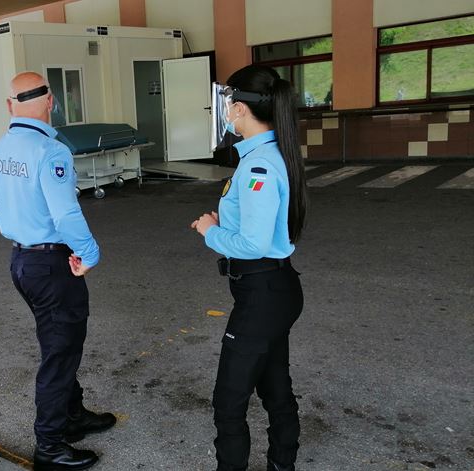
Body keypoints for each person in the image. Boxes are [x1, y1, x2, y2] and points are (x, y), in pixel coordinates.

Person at [0, 72, 115, 471]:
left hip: (23, 262)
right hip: (53, 266)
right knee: (59, 353)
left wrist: (19, 225)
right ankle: (50, 446)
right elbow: (66, 213)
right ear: (51, 101)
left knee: (57, 344)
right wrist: (89, 253)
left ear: (10, 105)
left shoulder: (0, 148)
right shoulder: (50, 151)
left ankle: (72, 416)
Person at [191, 65, 308, 471]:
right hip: (274, 289)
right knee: (276, 388)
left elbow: (255, 245)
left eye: (227, 104)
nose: (225, 112)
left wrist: (210, 232)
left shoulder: (258, 164)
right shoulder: (271, 154)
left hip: (262, 293)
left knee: (229, 401)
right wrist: (228, 227)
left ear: (240, 108)